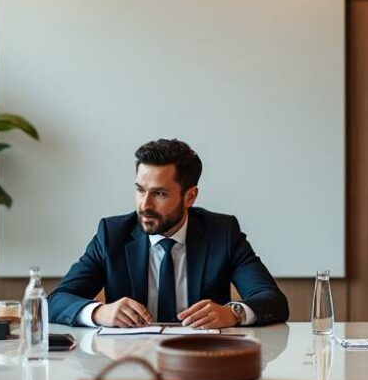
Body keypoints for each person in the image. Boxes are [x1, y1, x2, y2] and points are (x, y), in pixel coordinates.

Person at [49, 139, 288, 329]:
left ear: (190, 197)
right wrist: (100, 312)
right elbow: (56, 301)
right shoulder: (112, 234)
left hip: (200, 364)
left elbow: (273, 301)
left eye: (160, 194)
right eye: (140, 190)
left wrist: (233, 313)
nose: (145, 205)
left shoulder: (222, 233)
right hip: (130, 367)